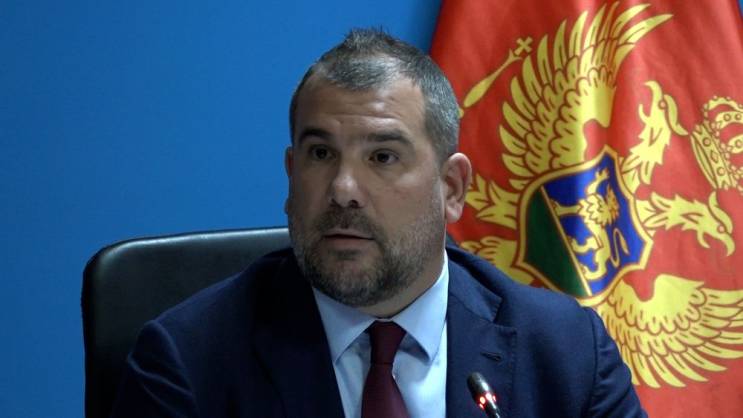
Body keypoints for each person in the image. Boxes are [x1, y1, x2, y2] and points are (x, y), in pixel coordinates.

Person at [110, 28, 645, 418]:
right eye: (321, 154)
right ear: (291, 176)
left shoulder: (566, 355)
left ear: (451, 188)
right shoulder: (189, 363)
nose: (343, 188)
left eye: (382, 157)